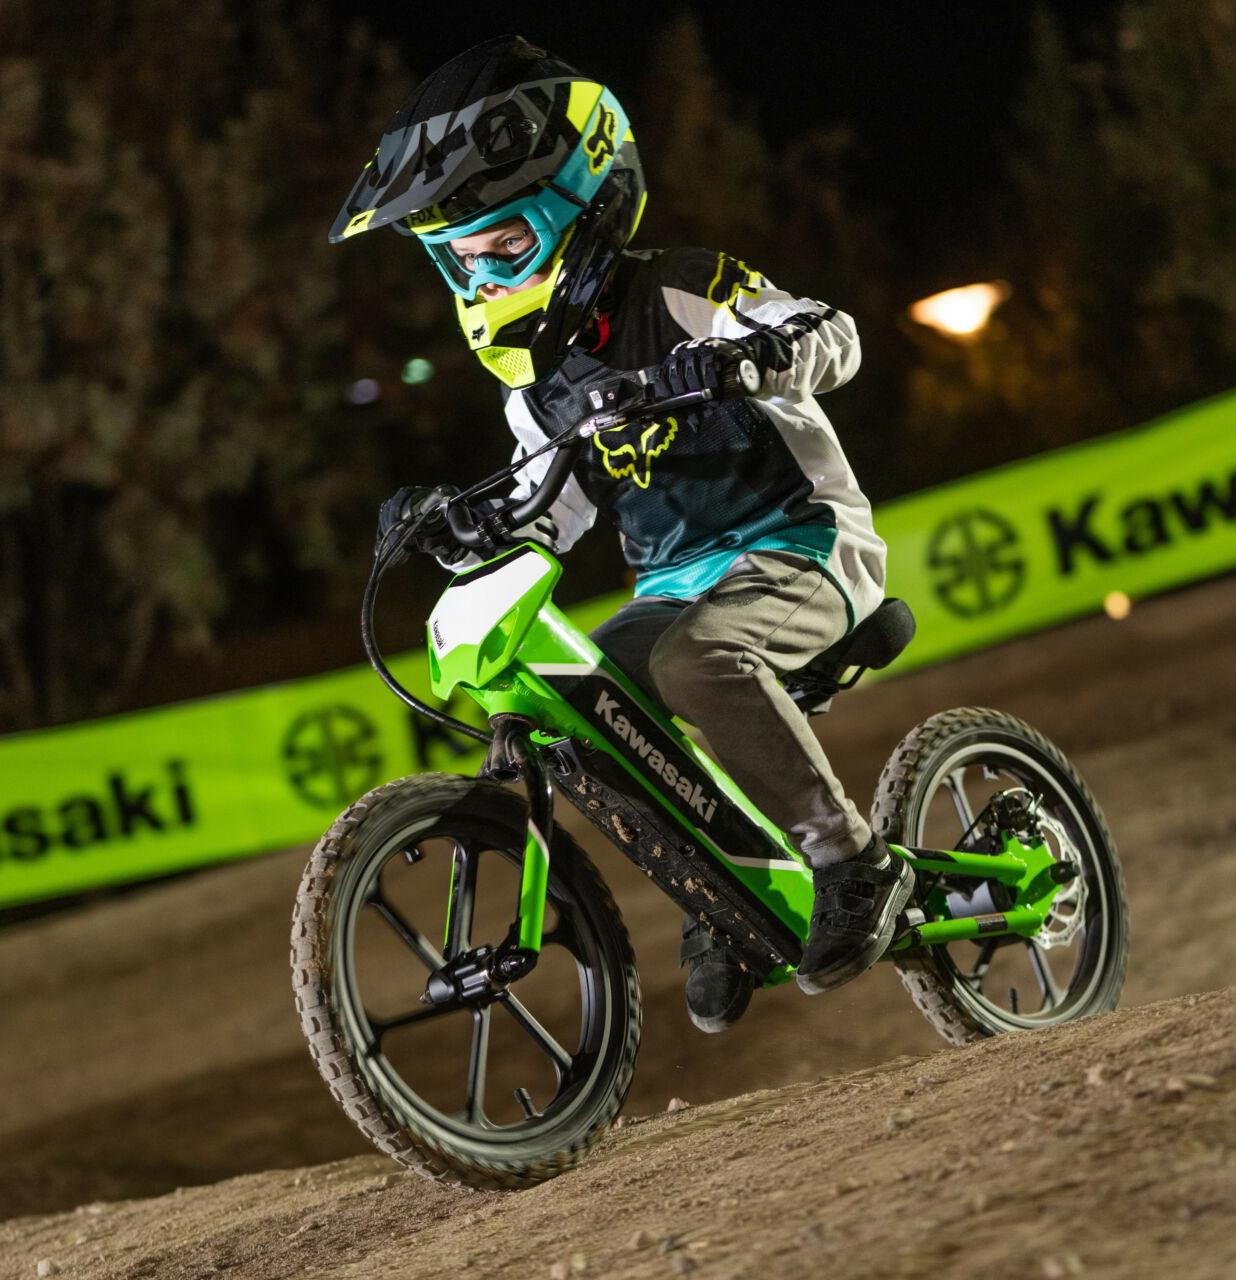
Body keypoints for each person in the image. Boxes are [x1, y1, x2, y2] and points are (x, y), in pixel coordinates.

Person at [329, 36, 911, 1030]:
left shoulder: (679, 288)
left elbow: (836, 334)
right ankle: (723, 895)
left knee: (695, 661)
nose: (480, 275)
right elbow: (544, 517)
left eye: (501, 246)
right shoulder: (540, 386)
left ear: (581, 203)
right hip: (678, 586)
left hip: (804, 546)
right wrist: (455, 525)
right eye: (459, 259)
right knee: (584, 712)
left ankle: (849, 855)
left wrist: (740, 360)